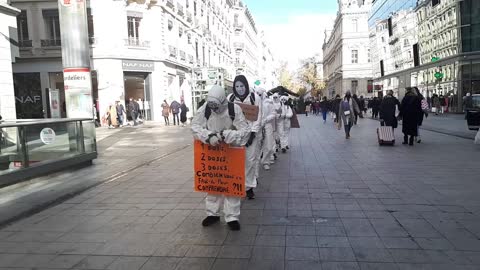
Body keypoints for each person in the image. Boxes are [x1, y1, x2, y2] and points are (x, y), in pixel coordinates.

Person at [191, 85, 249, 231]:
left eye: (216, 106)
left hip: (231, 151)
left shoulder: (234, 109)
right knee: (212, 183)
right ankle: (212, 213)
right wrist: (208, 136)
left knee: (230, 185)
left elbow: (245, 130)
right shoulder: (205, 109)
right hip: (211, 151)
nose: (214, 110)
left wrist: (230, 135)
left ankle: (232, 216)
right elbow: (195, 127)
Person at [228, 75, 262, 200]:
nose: (240, 89)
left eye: (242, 86)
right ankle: (237, 185)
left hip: (251, 136)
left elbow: (258, 117)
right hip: (236, 136)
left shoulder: (255, 98)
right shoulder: (230, 98)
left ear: (246, 86)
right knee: (236, 162)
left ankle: (249, 188)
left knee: (250, 161)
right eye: (237, 86)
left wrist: (252, 135)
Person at [255, 87, 276, 171]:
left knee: (269, 145)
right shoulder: (254, 102)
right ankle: (255, 164)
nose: (258, 95)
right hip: (257, 126)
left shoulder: (269, 103)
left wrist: (266, 119)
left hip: (267, 125)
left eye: (260, 94)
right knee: (256, 146)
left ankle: (266, 161)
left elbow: (273, 113)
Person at [272, 93, 282, 159]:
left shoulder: (280, 104)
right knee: (274, 135)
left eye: (276, 97)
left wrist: (280, 115)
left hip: (280, 121)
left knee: (279, 133)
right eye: (274, 97)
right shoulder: (271, 104)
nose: (275, 98)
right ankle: (274, 148)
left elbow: (282, 111)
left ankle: (279, 143)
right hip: (273, 122)